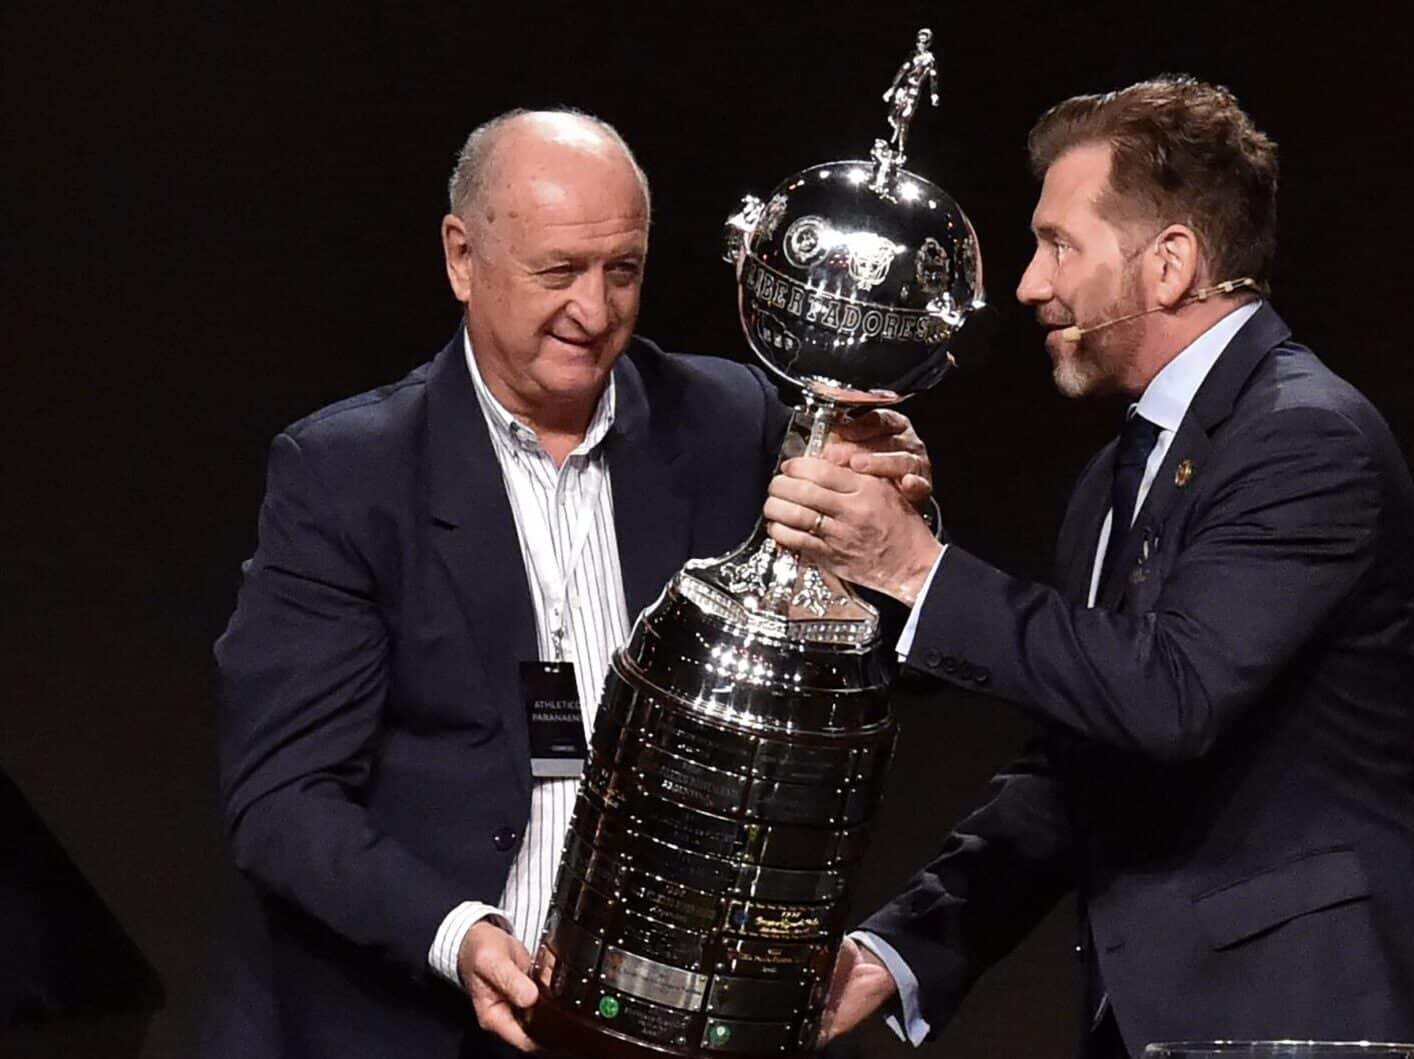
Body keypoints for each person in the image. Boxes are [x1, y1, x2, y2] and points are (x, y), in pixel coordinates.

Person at [764, 76, 1414, 1057]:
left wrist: (917, 567)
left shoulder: (1304, 441)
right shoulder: (1117, 473)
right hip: (1162, 1026)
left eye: (1059, 244)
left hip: (1309, 1020)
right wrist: (894, 953)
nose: (1029, 283)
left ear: (1170, 264)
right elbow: (1077, 766)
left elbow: (1171, 693)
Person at [212, 108, 931, 1059]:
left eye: (621, 270)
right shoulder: (348, 475)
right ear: (461, 258)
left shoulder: (730, 421)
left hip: (667, 1024)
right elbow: (282, 794)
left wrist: (896, 539)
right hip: (425, 1018)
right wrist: (455, 933)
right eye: (557, 272)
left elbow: (862, 670)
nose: (594, 312)